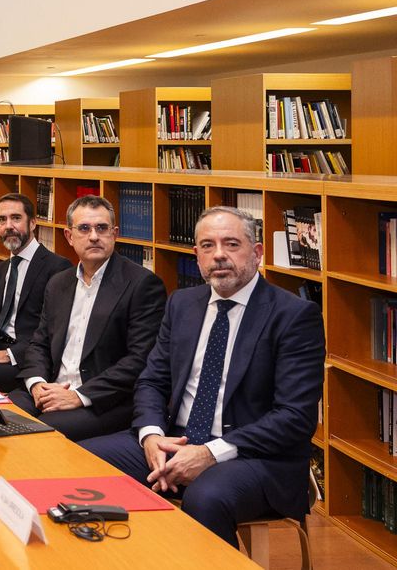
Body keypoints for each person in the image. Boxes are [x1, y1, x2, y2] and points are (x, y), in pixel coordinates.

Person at [81, 206, 324, 546]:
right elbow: (152, 380)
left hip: (254, 455)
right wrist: (151, 435)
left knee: (206, 498)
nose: (219, 255)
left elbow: (294, 418)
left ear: (257, 253)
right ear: (196, 256)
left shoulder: (294, 316)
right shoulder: (182, 303)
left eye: (231, 244)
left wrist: (211, 452)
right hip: (175, 440)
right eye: (208, 246)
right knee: (81, 462)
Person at [8, 195, 166, 441]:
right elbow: (39, 343)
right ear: (69, 237)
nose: (94, 236)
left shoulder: (142, 284)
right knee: (2, 413)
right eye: (84, 228)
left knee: (39, 433)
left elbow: (139, 360)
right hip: (51, 388)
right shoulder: (59, 283)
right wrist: (37, 384)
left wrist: (79, 396)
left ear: (114, 233)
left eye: (101, 228)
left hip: (104, 400)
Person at [0, 193, 71, 391]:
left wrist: (9, 354)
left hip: (26, 358)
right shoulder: (2, 268)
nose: (8, 226)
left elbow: (53, 331)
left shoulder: (58, 268)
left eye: (16, 218)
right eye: (2, 220)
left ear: (33, 223)